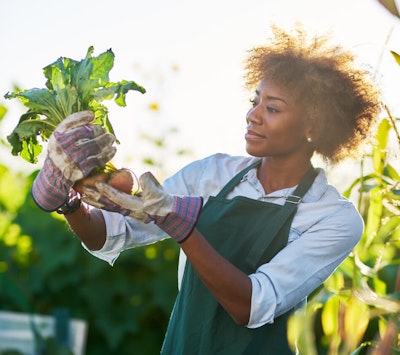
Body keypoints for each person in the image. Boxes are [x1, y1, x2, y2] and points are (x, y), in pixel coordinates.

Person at [31, 24, 382, 354]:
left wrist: (185, 230)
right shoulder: (211, 174)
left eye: (272, 108)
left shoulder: (332, 217)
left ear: (313, 125)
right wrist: (71, 201)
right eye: (254, 101)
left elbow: (251, 305)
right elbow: (110, 234)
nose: (253, 115)